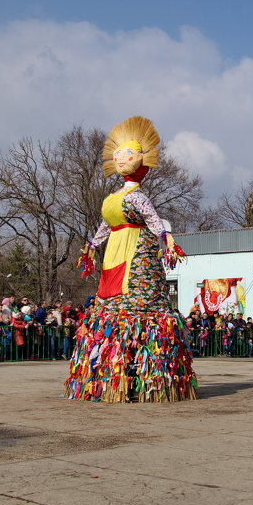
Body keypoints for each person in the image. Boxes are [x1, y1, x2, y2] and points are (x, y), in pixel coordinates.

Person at [66, 116, 195, 402]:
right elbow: (105, 225)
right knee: (111, 305)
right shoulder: (112, 198)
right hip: (115, 254)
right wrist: (92, 246)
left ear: (139, 161)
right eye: (119, 154)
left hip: (137, 255)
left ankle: (148, 379)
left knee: (137, 309)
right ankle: (107, 382)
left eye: (129, 154)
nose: (121, 158)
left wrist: (166, 240)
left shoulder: (137, 197)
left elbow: (152, 219)